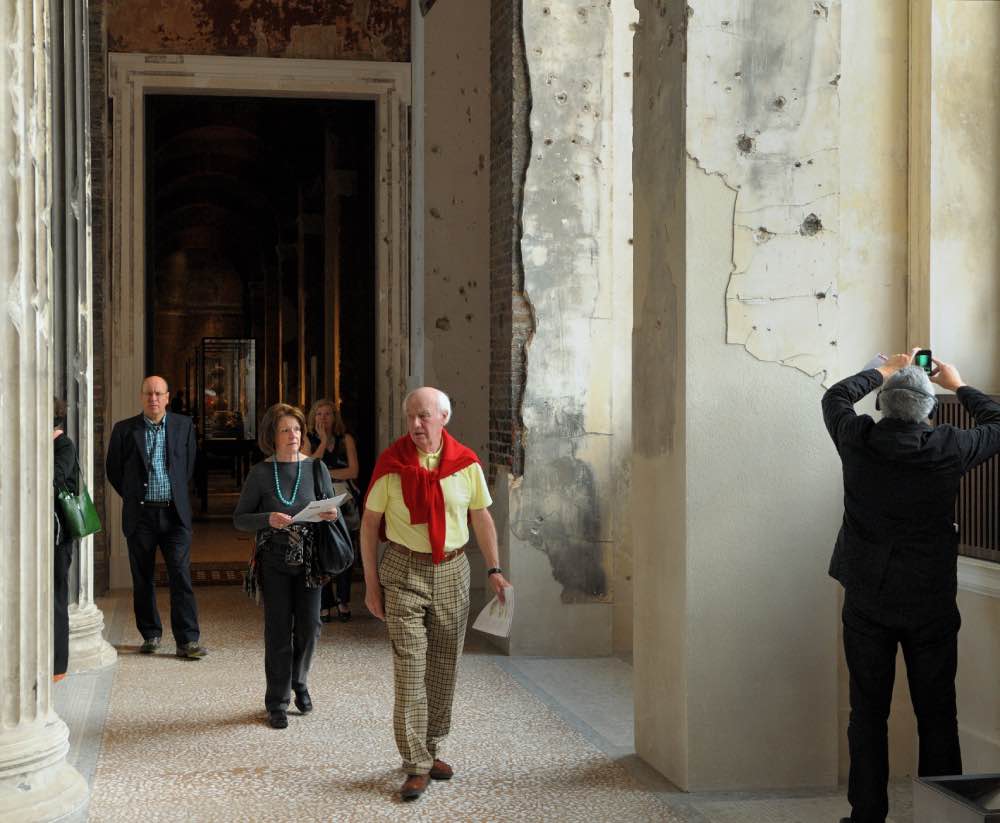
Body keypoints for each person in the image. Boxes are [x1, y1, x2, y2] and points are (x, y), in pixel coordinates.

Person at [823, 350, 1000, 823]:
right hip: (930, 605)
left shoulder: (858, 439)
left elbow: (836, 396)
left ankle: (867, 818)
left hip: (867, 601)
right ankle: (943, 818)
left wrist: (879, 371)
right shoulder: (949, 447)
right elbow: (998, 421)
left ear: (882, 405)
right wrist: (958, 382)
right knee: (938, 715)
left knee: (867, 715)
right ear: (929, 410)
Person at [361, 386, 510, 801]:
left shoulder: (466, 465)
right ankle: (415, 763)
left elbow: (481, 516)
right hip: (403, 570)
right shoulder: (391, 464)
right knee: (410, 671)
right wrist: (372, 586)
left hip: (452, 570)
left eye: (424, 416)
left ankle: (431, 747)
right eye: (410, 416)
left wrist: (495, 569)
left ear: (445, 417)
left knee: (443, 668)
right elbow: (370, 525)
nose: (415, 425)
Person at [234, 403, 339, 730]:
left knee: (310, 627)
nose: (293, 435)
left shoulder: (317, 469)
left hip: (311, 561)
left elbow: (332, 507)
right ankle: (276, 701)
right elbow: (239, 520)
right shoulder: (260, 473)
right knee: (278, 630)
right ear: (272, 436)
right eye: (285, 430)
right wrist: (267, 519)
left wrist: (330, 515)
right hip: (274, 560)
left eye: (297, 429)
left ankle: (300, 681)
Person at [106, 375, 206, 659]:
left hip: (174, 515)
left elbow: (188, 466)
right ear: (141, 397)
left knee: (180, 575)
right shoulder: (125, 430)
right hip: (141, 516)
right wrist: (133, 494)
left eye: (158, 394)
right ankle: (150, 634)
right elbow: (113, 470)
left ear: (167, 397)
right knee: (143, 578)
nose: (153, 399)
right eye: (148, 394)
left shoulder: (183, 426)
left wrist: (175, 493)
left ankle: (188, 640)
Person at [305, 399, 361, 622]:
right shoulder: (308, 440)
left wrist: (326, 473)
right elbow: (308, 468)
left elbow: (354, 471)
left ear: (334, 417)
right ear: (313, 417)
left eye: (327, 414)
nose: (323, 418)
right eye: (319, 414)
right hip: (319, 500)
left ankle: (343, 599)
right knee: (322, 549)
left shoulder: (345, 439)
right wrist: (323, 443)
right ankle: (325, 602)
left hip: (344, 500)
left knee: (345, 548)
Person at [52, 398, 76, 681]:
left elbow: (54, 479)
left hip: (59, 536)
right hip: (41, 535)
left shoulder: (63, 445)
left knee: (58, 596)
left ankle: (58, 665)